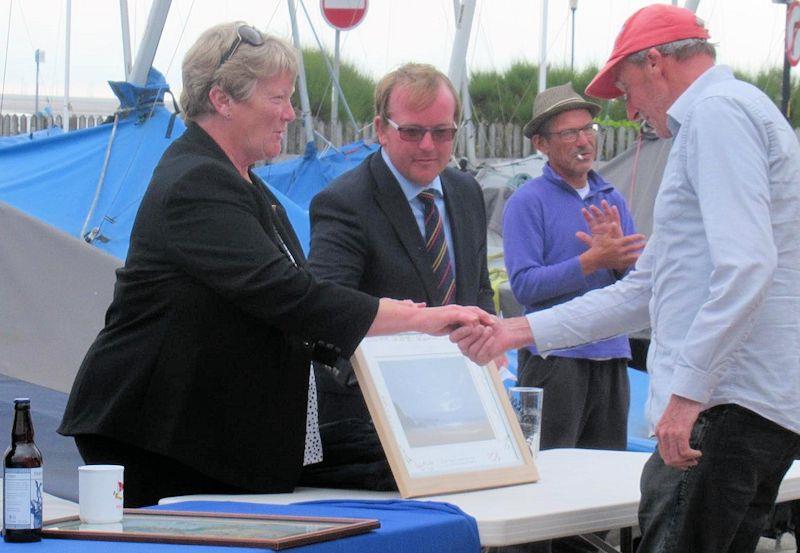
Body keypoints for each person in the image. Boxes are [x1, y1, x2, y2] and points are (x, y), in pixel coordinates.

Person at [57, 22, 488, 508]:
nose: (290, 114)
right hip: (158, 434)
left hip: (210, 432)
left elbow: (293, 304)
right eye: (278, 99)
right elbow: (287, 295)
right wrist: (418, 317)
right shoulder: (196, 181)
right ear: (223, 100)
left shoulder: (243, 184)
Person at [452, 5, 800, 552]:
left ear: (656, 63)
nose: (628, 109)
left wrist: (688, 393)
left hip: (720, 409)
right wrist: (514, 332)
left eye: (627, 88)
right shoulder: (737, 112)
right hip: (747, 405)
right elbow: (647, 290)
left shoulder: (715, 116)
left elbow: (748, 265)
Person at [303, 63, 496, 490]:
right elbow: (329, 313)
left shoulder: (466, 192)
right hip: (374, 427)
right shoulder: (343, 203)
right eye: (412, 132)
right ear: (381, 128)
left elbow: (479, 289)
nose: (428, 145)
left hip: (463, 415)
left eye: (442, 132)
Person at [502, 83, 643, 553]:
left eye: (589, 129)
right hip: (553, 361)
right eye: (569, 133)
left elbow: (635, 282)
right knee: (551, 483)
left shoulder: (611, 196)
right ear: (541, 144)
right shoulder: (527, 202)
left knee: (604, 484)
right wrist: (590, 261)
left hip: (612, 356)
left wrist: (619, 261)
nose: (584, 140)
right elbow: (523, 288)